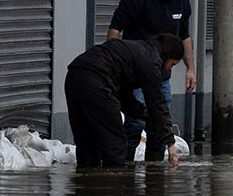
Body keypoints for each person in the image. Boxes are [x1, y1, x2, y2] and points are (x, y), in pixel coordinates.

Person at [109, 0, 195, 155]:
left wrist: (190, 69)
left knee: (159, 125)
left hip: (161, 77)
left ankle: (155, 173)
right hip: (135, 75)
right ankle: (125, 167)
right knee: (134, 124)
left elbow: (184, 36)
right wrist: (114, 66)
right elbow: (115, 28)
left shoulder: (182, 0)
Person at [64, 33, 183, 168]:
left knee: (87, 143)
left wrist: (142, 112)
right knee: (115, 143)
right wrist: (170, 144)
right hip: (96, 81)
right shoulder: (150, 60)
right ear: (167, 55)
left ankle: (88, 182)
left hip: (74, 76)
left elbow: (122, 95)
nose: (169, 69)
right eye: (172, 64)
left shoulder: (135, 51)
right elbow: (157, 102)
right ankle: (115, 181)